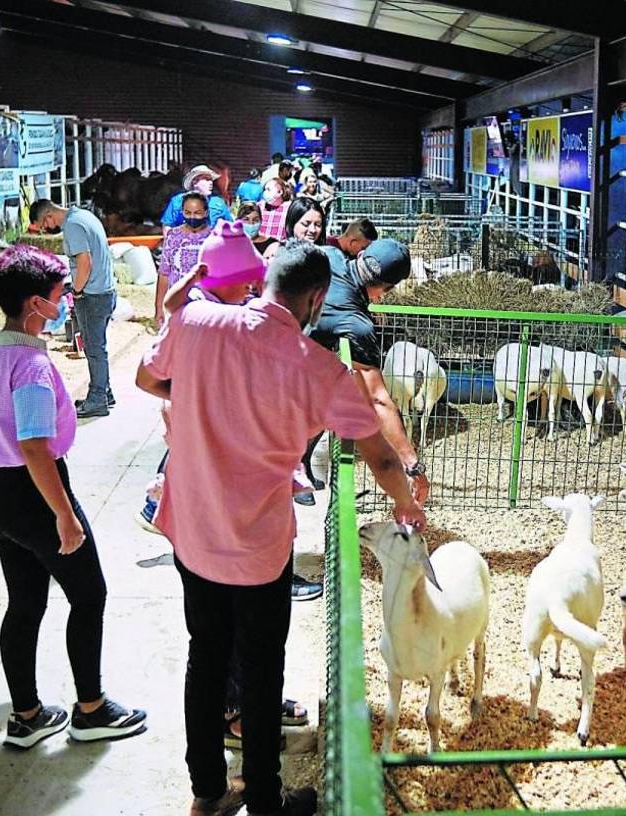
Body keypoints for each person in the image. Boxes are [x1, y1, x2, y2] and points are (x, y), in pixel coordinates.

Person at [136, 240, 425, 816]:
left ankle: (208, 791)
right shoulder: (320, 369)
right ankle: (266, 800)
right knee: (262, 670)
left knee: (206, 657)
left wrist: (199, 398)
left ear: (266, 280)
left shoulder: (195, 320)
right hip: (258, 548)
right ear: (317, 299)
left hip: (193, 533)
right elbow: (378, 453)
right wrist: (404, 504)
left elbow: (147, 379)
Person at [0, 245, 146, 750]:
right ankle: (91, 710)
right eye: (57, 296)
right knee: (89, 595)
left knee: (24, 603)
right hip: (34, 495)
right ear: (34, 305)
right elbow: (33, 445)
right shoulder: (29, 366)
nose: (64, 303)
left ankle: (26, 715)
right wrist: (65, 515)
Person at [309, 238, 431, 505]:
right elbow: (378, 400)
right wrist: (413, 465)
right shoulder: (356, 325)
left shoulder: (327, 255)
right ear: (385, 290)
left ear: (361, 254)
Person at [29, 199, 117, 419]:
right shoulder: (84, 216)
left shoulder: (73, 226)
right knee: (98, 347)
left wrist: (76, 291)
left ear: (49, 215)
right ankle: (105, 392)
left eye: (43, 225)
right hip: (106, 291)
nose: (46, 229)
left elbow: (85, 263)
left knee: (94, 349)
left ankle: (97, 399)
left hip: (93, 295)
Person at [154, 192, 213, 327]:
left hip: (207, 306)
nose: (192, 217)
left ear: (206, 212)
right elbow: (164, 273)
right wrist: (159, 308)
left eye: (197, 213)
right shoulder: (173, 236)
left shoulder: (214, 237)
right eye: (187, 212)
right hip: (177, 304)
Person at [161, 164, 231, 234]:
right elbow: (167, 225)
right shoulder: (177, 201)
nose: (211, 183)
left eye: (211, 180)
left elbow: (230, 225)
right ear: (195, 182)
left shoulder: (218, 202)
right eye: (206, 179)